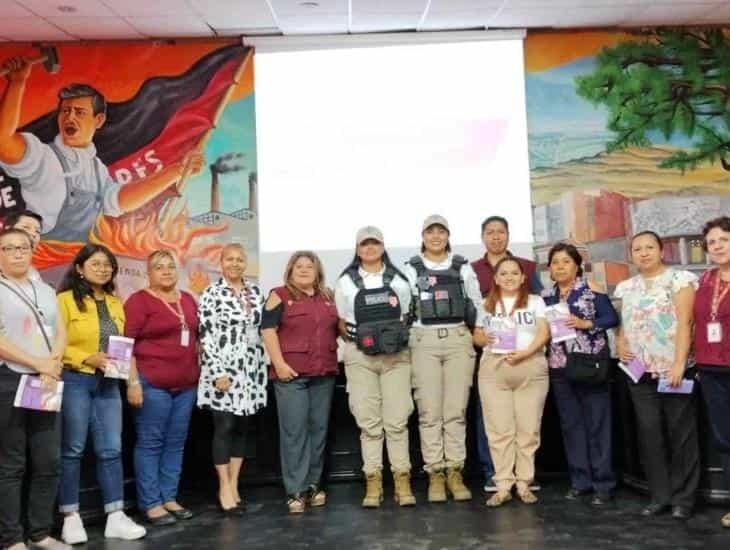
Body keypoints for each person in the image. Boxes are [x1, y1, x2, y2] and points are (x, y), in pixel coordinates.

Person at [0, 57, 203, 242]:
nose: (70, 118)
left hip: (75, 261)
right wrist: (17, 84)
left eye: (79, 112)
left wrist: (175, 172)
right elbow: (3, 141)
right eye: (65, 111)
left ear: (99, 120)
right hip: (41, 257)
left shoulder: (97, 169)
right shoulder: (42, 157)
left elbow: (120, 201)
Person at [56, 244, 146, 543]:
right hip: (76, 380)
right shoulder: (64, 301)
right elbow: (56, 343)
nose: (104, 268)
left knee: (111, 450)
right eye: (96, 263)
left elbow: (123, 344)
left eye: (108, 264)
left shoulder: (115, 302)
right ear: (80, 268)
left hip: (109, 384)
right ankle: (71, 516)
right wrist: (84, 357)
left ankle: (116, 515)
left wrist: (130, 379)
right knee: (73, 450)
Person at [615, 231, 700, 519]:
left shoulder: (680, 280)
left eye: (649, 247)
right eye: (637, 249)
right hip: (639, 373)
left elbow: (686, 322)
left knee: (681, 434)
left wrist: (678, 363)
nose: (644, 253)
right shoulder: (627, 287)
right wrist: (621, 342)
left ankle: (683, 500)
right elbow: (626, 324)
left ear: (661, 250)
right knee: (650, 435)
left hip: (673, 371)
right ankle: (659, 496)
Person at [334, 226, 415, 508]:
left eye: (374, 243)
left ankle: (402, 480)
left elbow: (407, 315)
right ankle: (373, 480)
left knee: (397, 421)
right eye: (364, 244)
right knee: (369, 423)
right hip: (360, 357)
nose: (369, 248)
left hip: (396, 357)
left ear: (383, 246)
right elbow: (342, 323)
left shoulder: (400, 280)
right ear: (357, 249)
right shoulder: (345, 281)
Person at [403, 214, 482, 503]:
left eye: (441, 232)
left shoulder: (462, 266)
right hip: (423, 341)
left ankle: (455, 471)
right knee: (429, 412)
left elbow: (477, 303)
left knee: (455, 410)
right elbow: (402, 305)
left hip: (458, 339)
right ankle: (435, 472)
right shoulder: (411, 268)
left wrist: (480, 330)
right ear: (422, 236)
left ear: (448, 235)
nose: (436, 237)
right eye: (430, 232)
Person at [0, 227, 68, 550]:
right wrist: (37, 363)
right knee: (12, 463)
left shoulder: (46, 290)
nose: (16, 253)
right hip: (10, 379)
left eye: (22, 247)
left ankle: (40, 532)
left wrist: (53, 364)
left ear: (31, 251)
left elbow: (60, 330)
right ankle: (11, 538)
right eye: (8, 248)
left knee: (48, 459)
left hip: (46, 380)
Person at [124, 250, 199, 525]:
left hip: (187, 386)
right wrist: (132, 382)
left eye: (170, 266)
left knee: (175, 444)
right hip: (151, 384)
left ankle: (169, 497)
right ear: (149, 272)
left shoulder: (188, 299)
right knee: (150, 443)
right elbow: (125, 345)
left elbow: (196, 339)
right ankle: (151, 503)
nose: (166, 271)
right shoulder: (138, 301)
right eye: (159, 267)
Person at [262, 251, 339, 514]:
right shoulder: (278, 295)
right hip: (291, 376)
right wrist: (279, 364)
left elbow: (339, 328)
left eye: (310, 266)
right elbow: (267, 330)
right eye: (299, 266)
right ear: (290, 270)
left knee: (318, 431)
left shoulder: (328, 297)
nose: (304, 270)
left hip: (323, 373)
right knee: (294, 433)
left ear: (317, 272)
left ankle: (314, 485)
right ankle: (295, 489)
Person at [470, 215, 542, 492]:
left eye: (501, 232)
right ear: (483, 237)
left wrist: (530, 347)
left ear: (509, 235)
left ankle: (525, 475)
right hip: (491, 354)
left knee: (526, 420)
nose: (496, 237)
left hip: (527, 357)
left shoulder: (527, 266)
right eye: (490, 232)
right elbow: (473, 314)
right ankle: (494, 473)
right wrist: (481, 337)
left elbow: (539, 310)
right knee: (491, 419)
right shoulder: (473, 269)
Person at [543, 242, 618, 505]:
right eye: (555, 263)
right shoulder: (546, 297)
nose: (560, 266)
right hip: (559, 368)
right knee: (571, 427)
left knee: (598, 425)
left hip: (590, 366)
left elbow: (611, 318)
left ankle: (603, 483)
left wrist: (586, 323)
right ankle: (580, 481)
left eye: (565, 261)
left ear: (576, 266)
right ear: (549, 269)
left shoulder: (591, 290)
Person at [198, 243, 266, 515]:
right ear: (221, 263)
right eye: (230, 259)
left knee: (242, 428)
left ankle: (235, 483)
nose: (235, 264)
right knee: (224, 427)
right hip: (223, 369)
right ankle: (223, 486)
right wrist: (218, 372)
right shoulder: (211, 293)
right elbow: (206, 334)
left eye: (240, 259)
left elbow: (263, 329)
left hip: (251, 369)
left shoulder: (256, 292)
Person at [694, 216, 730, 528]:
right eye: (712, 242)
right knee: (724, 438)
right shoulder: (706, 280)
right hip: (711, 368)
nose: (717, 246)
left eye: (723, 240)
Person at [3, 209, 43, 281]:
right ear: (8, 230)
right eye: (26, 227)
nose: (33, 234)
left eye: (37, 231)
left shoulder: (34, 275)